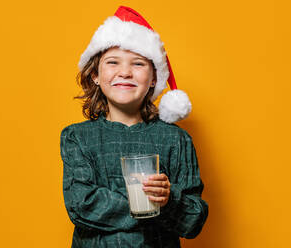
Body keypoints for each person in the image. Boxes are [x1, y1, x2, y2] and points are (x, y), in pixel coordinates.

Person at [60, 6, 208, 247]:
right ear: (95, 75)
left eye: (138, 64)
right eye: (113, 62)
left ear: (153, 79)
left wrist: (169, 199)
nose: (125, 72)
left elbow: (193, 221)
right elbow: (81, 204)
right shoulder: (77, 137)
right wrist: (148, 206)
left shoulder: (176, 140)